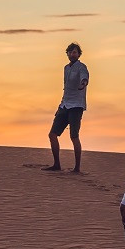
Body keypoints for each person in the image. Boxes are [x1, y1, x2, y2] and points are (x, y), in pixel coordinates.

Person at [43, 42, 89, 173]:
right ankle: (56, 164)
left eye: (74, 52)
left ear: (79, 54)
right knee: (52, 134)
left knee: (74, 136)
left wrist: (83, 84)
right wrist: (60, 106)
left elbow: (84, 77)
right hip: (64, 104)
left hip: (76, 106)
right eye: (70, 52)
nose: (72, 54)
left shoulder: (82, 67)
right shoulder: (66, 68)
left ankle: (77, 168)